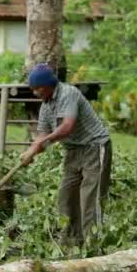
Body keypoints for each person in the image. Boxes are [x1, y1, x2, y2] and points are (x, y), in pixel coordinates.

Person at [20, 63, 112, 246]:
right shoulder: (46, 106)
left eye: (37, 89)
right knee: (66, 196)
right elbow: (42, 136)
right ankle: (71, 242)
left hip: (94, 147)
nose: (35, 93)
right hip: (73, 151)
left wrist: (42, 142)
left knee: (90, 199)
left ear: (47, 86)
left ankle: (93, 244)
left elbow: (67, 128)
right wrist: (31, 152)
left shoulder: (68, 93)